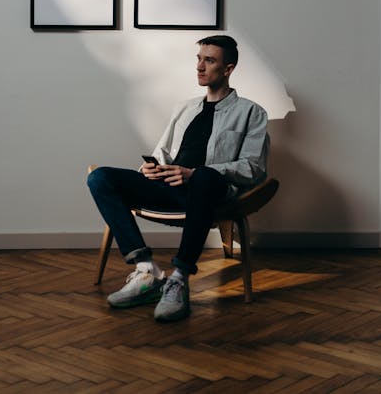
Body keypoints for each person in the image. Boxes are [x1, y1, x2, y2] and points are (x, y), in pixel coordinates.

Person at [87, 35, 268, 322]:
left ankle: (180, 278)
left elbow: (253, 168)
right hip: (170, 188)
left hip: (210, 192)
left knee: (205, 176)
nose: (199, 66)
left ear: (228, 68)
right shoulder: (185, 108)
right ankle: (148, 272)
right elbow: (163, 153)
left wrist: (196, 174)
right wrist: (151, 169)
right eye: (199, 59)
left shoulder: (251, 112)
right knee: (100, 178)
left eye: (209, 60)